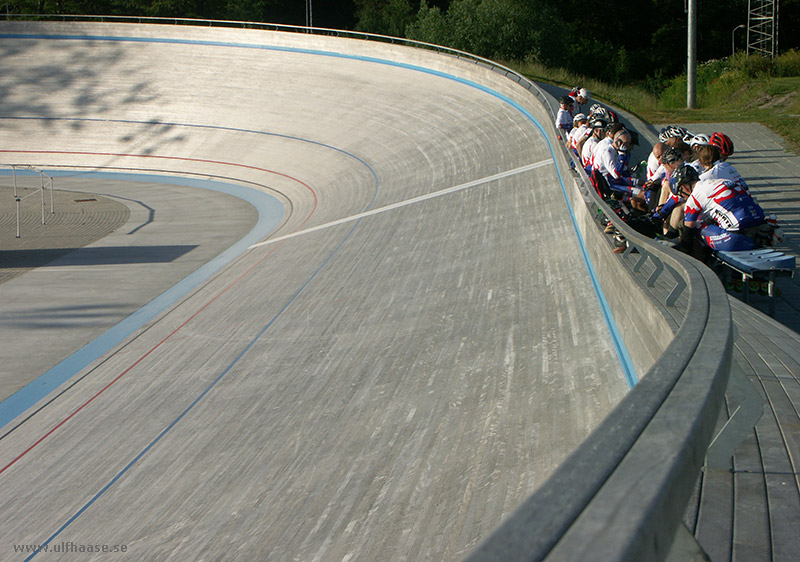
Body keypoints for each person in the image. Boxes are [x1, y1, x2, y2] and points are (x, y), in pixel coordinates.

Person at [669, 164, 766, 253]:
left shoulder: (694, 198)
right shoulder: (720, 181)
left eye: (680, 193)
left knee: (695, 225)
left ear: (684, 188)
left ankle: (704, 261)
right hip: (759, 228)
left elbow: (688, 233)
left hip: (735, 239)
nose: (684, 197)